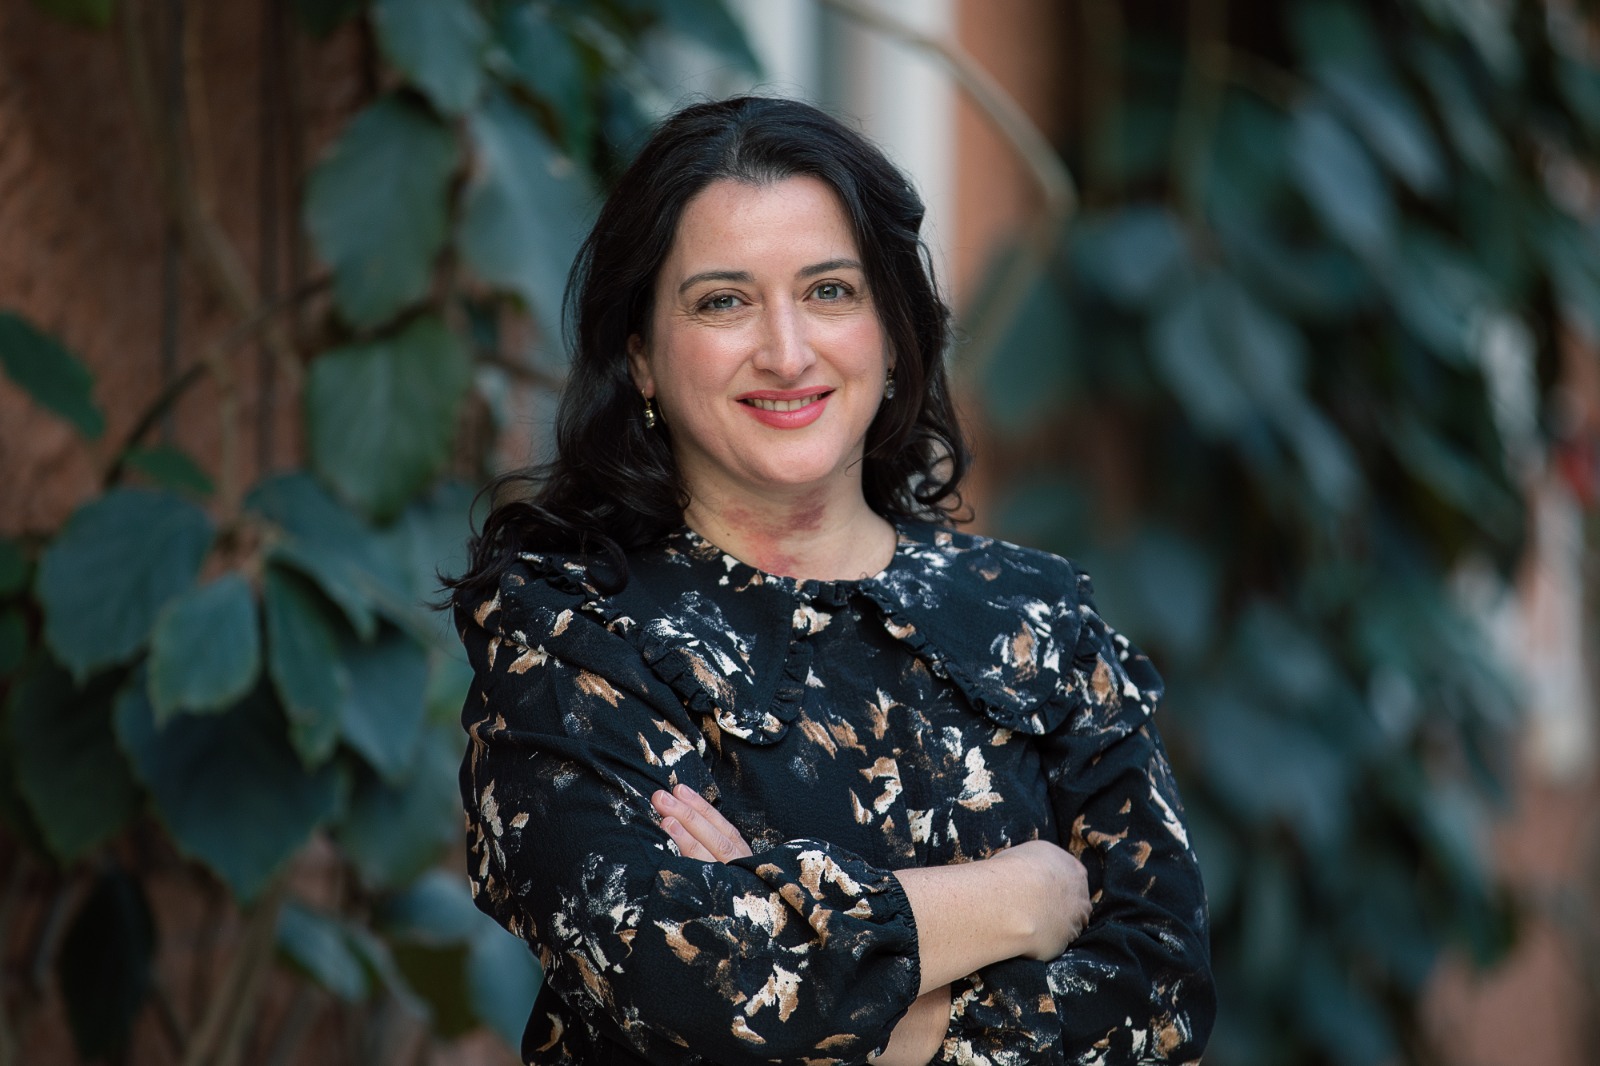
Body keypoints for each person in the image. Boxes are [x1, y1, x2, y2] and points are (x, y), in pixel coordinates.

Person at [448, 95, 1213, 1065]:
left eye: (830, 292)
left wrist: (788, 940)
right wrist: (1013, 899)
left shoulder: (1036, 619)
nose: (785, 351)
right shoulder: (569, 632)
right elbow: (679, 979)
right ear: (640, 356)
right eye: (722, 301)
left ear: (892, 334)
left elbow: (1159, 1003)